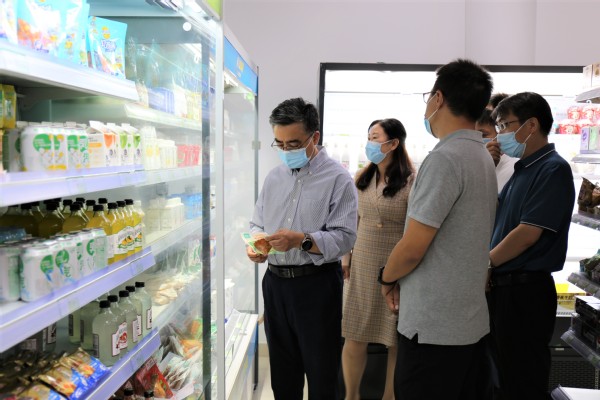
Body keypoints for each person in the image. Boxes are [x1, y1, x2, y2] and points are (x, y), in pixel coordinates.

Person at [379, 58, 498, 400]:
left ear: (438, 98)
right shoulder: (480, 154)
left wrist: (386, 278)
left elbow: (413, 247)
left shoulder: (445, 159)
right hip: (467, 324)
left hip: (433, 330)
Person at [247, 97, 358, 400]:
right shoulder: (274, 177)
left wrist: (301, 240)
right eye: (280, 144)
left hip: (316, 286)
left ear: (314, 137)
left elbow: (345, 237)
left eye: (293, 144)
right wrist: (256, 244)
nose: (286, 151)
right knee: (283, 376)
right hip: (275, 284)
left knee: (322, 375)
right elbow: (256, 222)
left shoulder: (338, 179)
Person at [488, 92, 575, 400]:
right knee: (503, 379)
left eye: (504, 125)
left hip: (525, 291)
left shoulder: (553, 169)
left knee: (522, 379)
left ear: (531, 125)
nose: (500, 134)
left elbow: (527, 233)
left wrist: (486, 264)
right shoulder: (521, 169)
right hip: (505, 288)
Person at [341, 118, 414, 400]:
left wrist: (400, 270)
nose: (369, 143)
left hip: (396, 267)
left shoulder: (412, 180)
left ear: (393, 143)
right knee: (354, 333)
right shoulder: (361, 177)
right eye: (369, 137)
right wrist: (345, 258)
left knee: (393, 338)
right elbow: (351, 222)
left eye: (375, 137)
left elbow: (414, 230)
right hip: (361, 264)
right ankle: (351, 395)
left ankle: (389, 396)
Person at [477, 108, 518, 193]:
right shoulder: (466, 166)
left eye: (483, 135)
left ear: (499, 134)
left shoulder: (514, 165)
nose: (476, 140)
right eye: (472, 135)